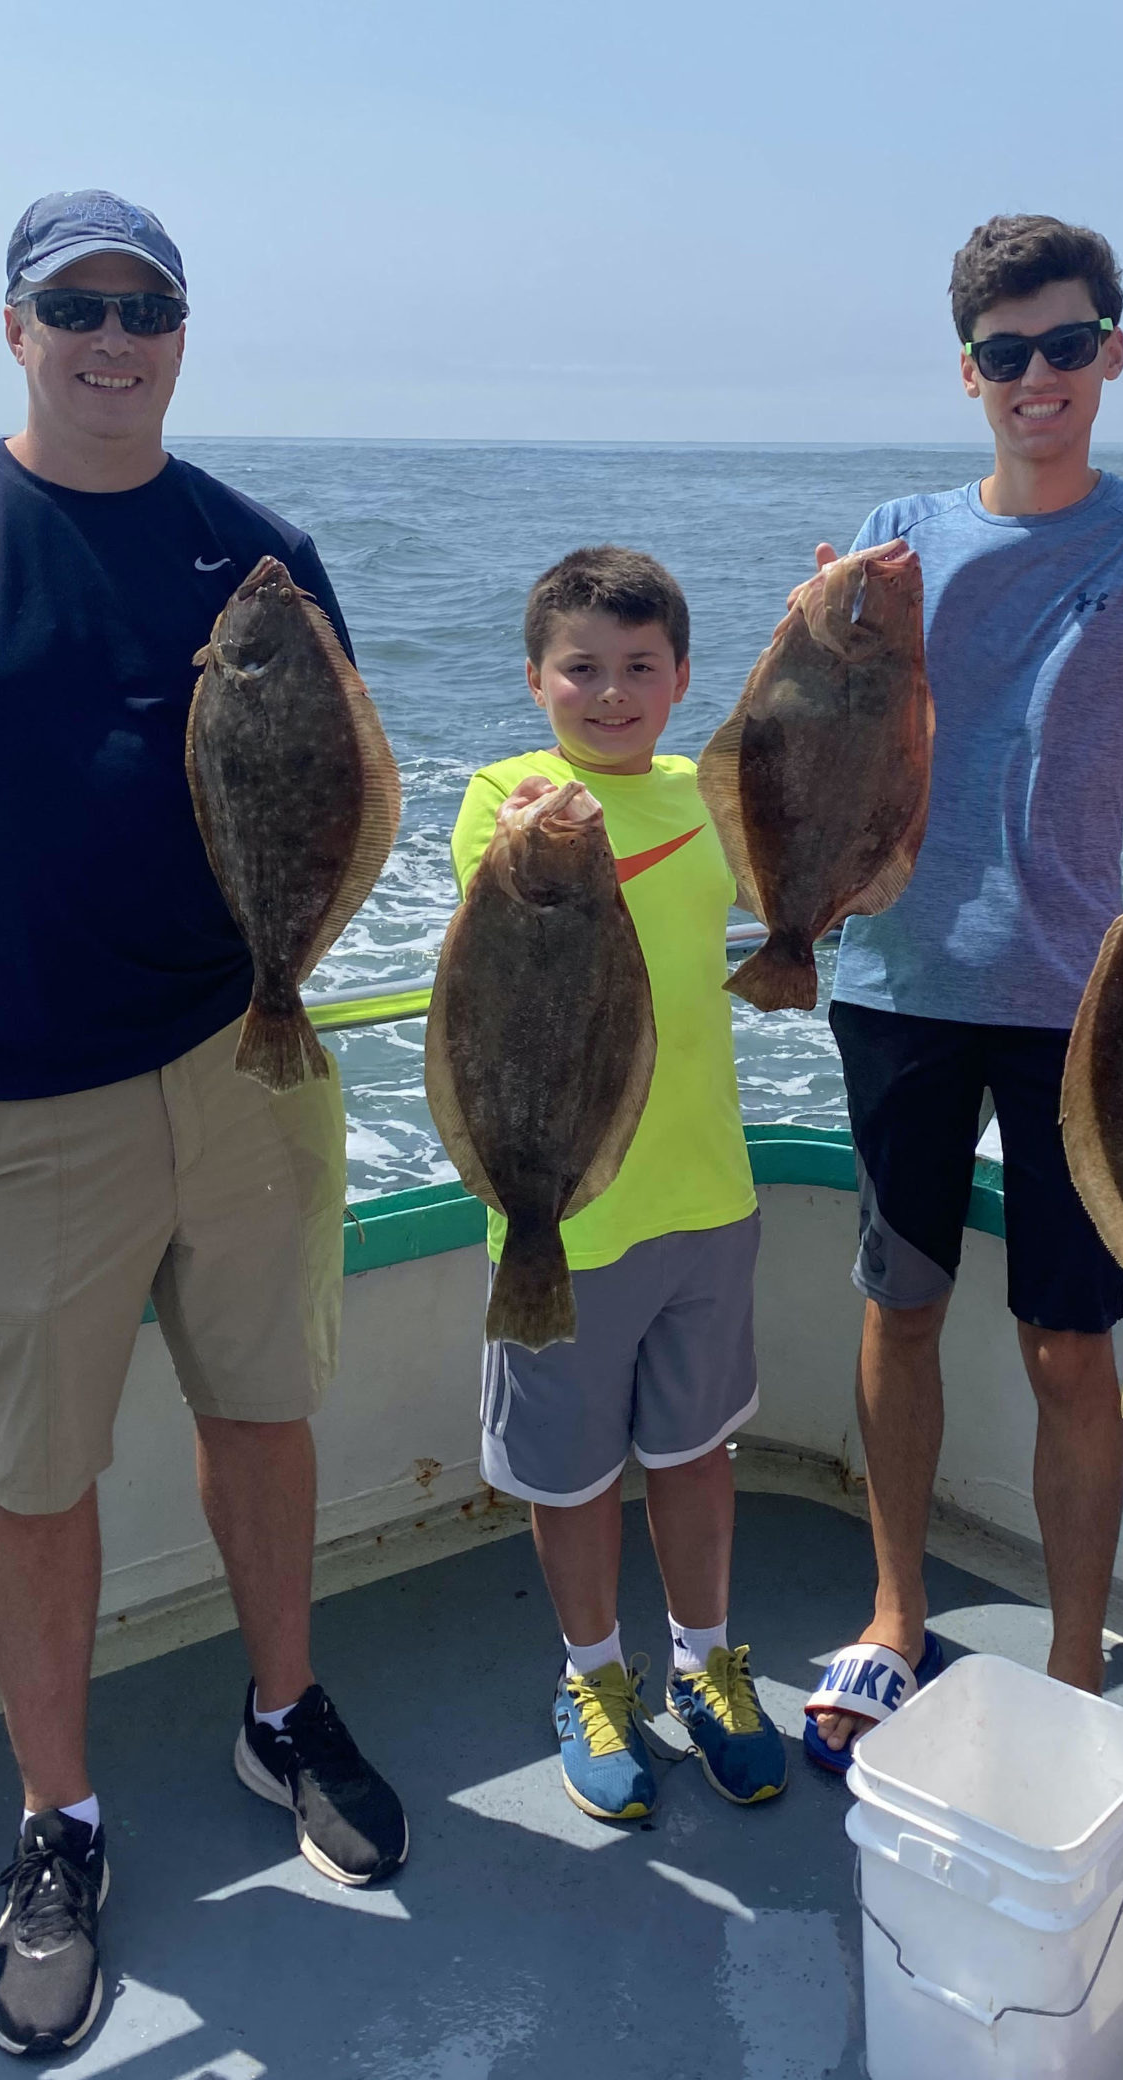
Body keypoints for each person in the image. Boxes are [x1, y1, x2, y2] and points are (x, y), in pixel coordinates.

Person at [0, 191, 407, 2060]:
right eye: (77, 305)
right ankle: (61, 1821)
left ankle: (280, 1709)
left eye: (146, 308)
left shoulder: (261, 558)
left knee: (262, 1409)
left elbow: (343, 791)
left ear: (181, 336)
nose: (112, 338)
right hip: (13, 1087)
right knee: (33, 1479)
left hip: (245, 1059)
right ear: (16, 326)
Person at [800, 214, 1123, 1766]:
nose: (1036, 376)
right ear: (968, 373)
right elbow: (819, 733)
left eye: (1065, 344)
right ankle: (890, 1614)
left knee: (1068, 1344)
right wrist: (805, 651)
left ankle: (1071, 1660)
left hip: (1080, 1006)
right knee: (900, 1306)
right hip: (897, 978)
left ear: (1110, 351)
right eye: (1006, 353)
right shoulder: (895, 538)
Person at [448, 545, 788, 1825]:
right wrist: (532, 836)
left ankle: (706, 1662)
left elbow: (827, 828)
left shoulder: (709, 798)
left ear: (682, 679)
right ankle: (592, 1675)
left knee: (696, 1453)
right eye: (579, 668)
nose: (608, 693)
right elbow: (489, 904)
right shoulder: (504, 796)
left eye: (638, 667)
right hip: (559, 1206)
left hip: (707, 1195)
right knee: (571, 1473)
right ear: (534, 678)